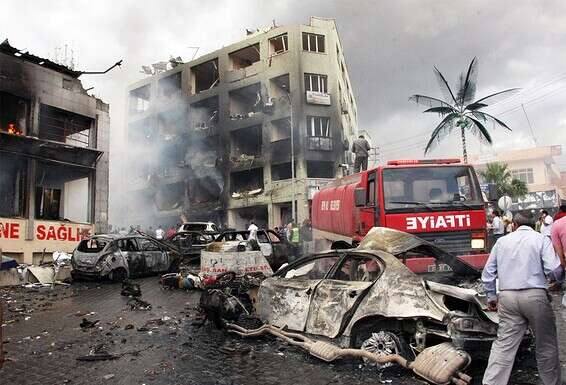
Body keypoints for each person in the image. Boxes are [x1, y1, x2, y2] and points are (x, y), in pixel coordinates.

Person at [481, 213, 563, 385]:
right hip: (536, 296)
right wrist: (557, 280)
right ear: (534, 224)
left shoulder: (501, 242)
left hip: (508, 297)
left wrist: (491, 296)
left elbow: (488, 274)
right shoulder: (540, 239)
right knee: (546, 344)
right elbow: (554, 270)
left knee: (504, 346)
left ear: (515, 224)